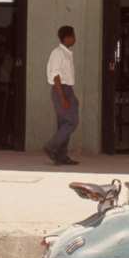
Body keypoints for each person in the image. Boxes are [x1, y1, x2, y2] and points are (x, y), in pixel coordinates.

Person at [43, 25, 79, 166]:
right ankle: (51, 147)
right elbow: (56, 76)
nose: (75, 39)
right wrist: (62, 97)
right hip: (61, 89)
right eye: (73, 36)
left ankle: (61, 156)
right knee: (71, 122)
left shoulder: (67, 53)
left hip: (67, 89)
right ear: (67, 37)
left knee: (64, 124)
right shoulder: (58, 53)